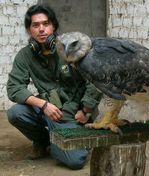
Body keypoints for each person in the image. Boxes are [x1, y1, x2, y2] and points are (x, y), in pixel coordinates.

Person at [6, 4, 101, 170]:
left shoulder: (71, 47)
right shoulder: (25, 55)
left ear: (54, 26)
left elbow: (95, 79)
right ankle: (44, 141)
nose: (41, 29)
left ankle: (66, 138)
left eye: (46, 24)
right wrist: (43, 105)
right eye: (36, 25)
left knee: (75, 161)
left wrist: (86, 111)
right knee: (15, 113)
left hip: (73, 114)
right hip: (47, 109)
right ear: (29, 30)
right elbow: (14, 88)